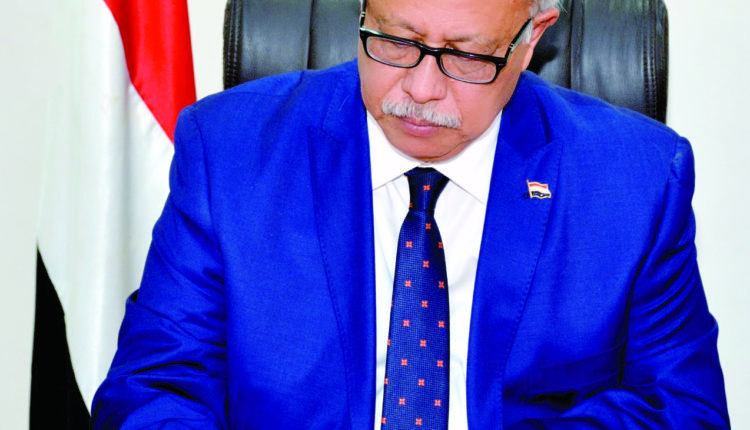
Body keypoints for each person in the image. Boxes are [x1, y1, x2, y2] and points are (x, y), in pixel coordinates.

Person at [91, 0, 730, 428]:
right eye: (396, 41)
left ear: (531, 37)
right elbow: (156, 388)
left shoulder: (635, 182)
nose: (421, 91)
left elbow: (683, 408)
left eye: (469, 55)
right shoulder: (229, 151)